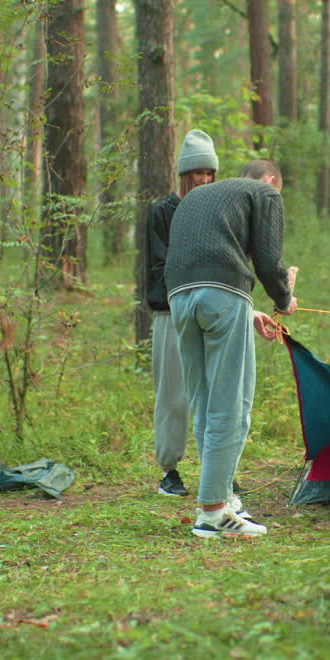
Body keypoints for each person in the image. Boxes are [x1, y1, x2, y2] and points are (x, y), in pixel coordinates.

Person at [165, 159, 298, 538]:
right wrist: (284, 297)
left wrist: (247, 310)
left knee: (205, 403)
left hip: (180, 297)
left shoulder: (197, 196)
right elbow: (270, 261)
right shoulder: (265, 192)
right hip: (220, 295)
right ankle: (212, 513)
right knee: (232, 404)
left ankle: (220, 497)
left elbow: (204, 260)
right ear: (271, 179)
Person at [145, 130, 219, 498]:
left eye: (209, 173)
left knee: (215, 393)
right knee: (173, 395)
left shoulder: (219, 211)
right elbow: (158, 266)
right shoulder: (162, 212)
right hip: (171, 313)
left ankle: (218, 468)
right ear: (183, 174)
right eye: (197, 174)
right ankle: (169, 470)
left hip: (211, 312)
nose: (204, 180)